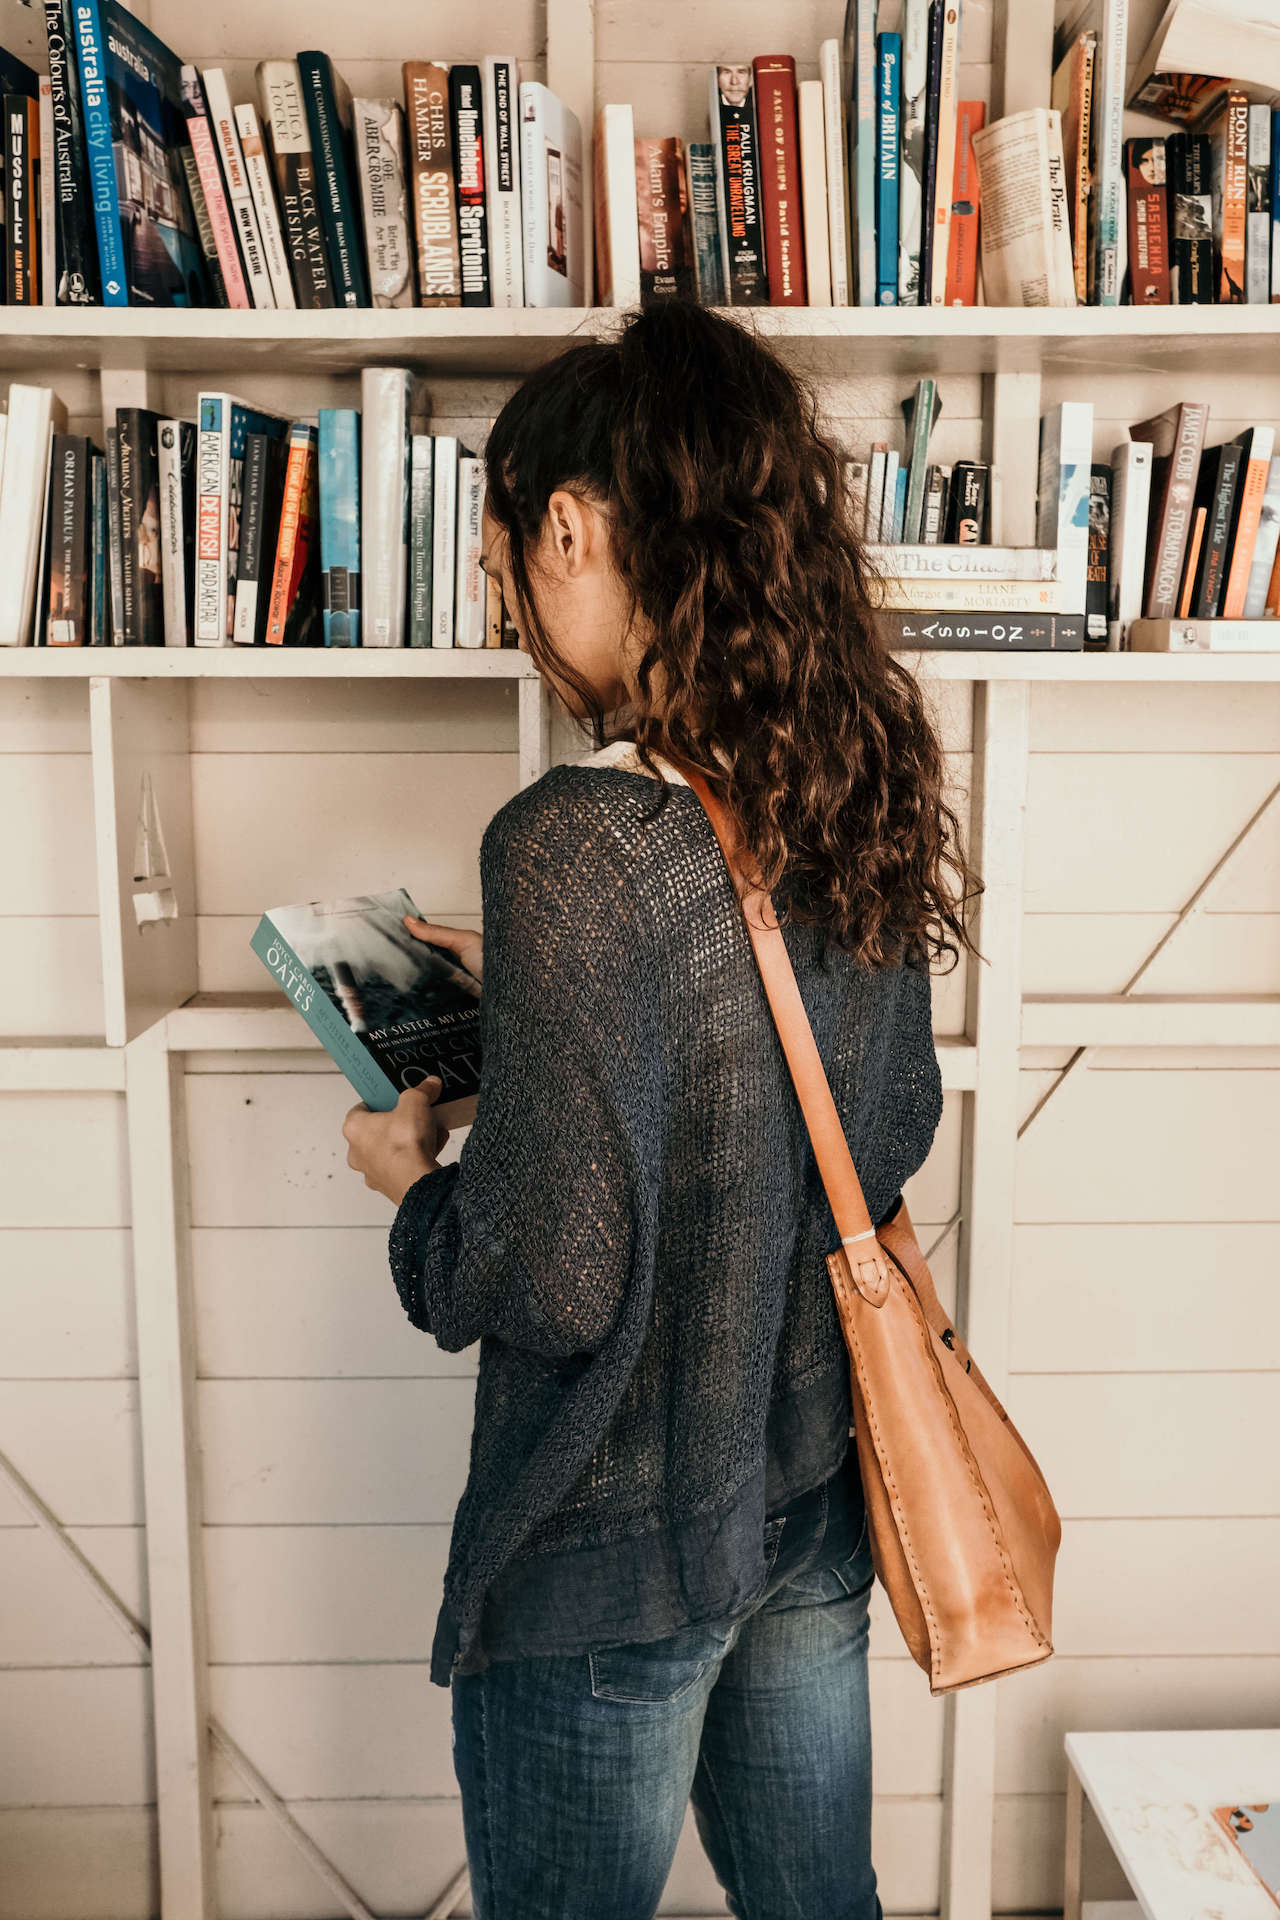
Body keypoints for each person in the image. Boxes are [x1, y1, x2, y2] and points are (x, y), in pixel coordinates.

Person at [341, 301, 981, 1920]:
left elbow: (547, 1277)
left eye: (507, 574)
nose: (519, 619)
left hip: (611, 1556)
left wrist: (411, 1190)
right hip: (811, 1506)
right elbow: (879, 1122)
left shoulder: (573, 841)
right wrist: (565, 997)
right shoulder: (848, 780)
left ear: (565, 524)